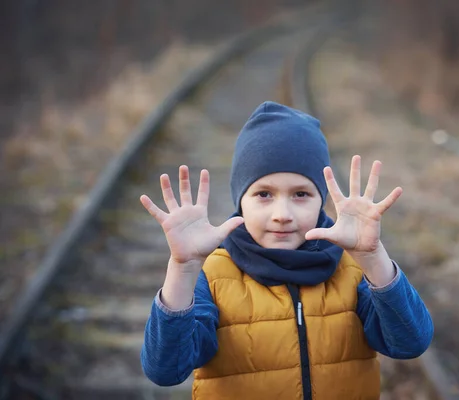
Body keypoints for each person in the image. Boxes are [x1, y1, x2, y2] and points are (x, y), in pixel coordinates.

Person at [140, 101, 434, 399]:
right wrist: (183, 269)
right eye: (264, 194)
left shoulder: (354, 269)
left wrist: (373, 258)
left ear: (322, 200)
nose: (282, 213)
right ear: (240, 200)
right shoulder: (213, 275)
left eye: (301, 194)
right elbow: (166, 370)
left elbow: (410, 343)